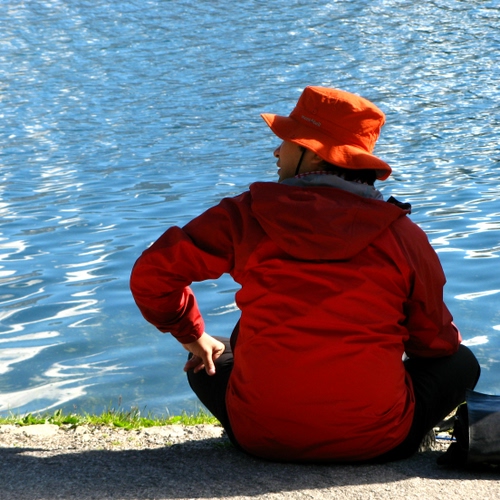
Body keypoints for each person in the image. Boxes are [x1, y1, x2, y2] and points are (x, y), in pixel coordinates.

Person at [130, 86, 480, 463]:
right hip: (378, 442)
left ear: (313, 154)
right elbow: (434, 344)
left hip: (259, 437)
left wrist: (191, 334)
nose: (276, 152)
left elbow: (153, 274)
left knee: (208, 359)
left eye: (287, 141)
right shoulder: (402, 235)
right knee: (460, 362)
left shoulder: (245, 216)